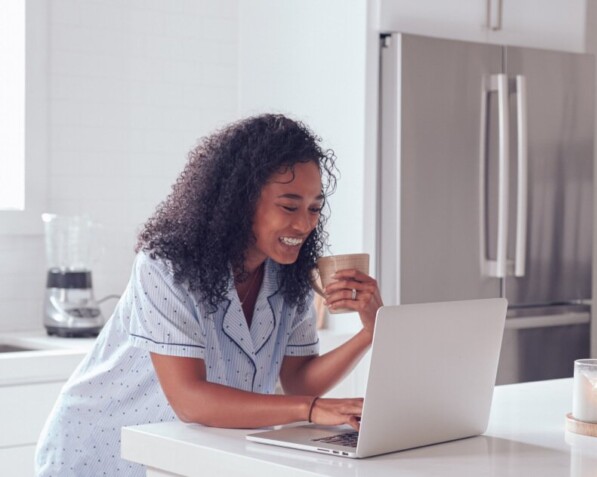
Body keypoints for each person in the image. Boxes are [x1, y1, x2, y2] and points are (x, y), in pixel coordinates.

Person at [35, 114, 380, 476]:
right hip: (97, 448)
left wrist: (370, 333)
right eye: (289, 206)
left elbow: (298, 378)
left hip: (188, 455)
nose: (306, 224)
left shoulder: (287, 276)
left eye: (314, 208)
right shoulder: (167, 264)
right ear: (240, 200)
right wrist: (310, 409)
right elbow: (189, 400)